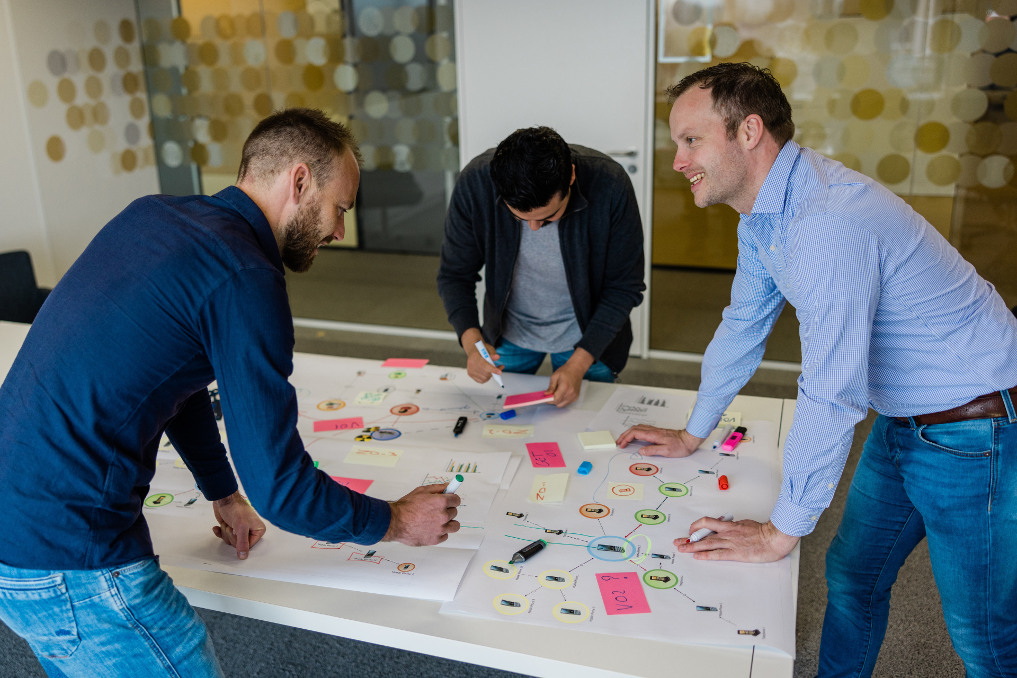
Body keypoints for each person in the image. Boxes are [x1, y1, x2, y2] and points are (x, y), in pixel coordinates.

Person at [0, 108, 460, 677]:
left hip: (17, 529)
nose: (340, 231)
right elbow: (281, 488)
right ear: (298, 182)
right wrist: (394, 521)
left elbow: (178, 378)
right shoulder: (244, 273)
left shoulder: (153, 214)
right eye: (339, 208)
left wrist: (220, 491)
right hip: (70, 557)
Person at [617, 63, 1017, 677]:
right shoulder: (765, 215)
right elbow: (744, 324)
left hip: (977, 427)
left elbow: (832, 386)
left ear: (748, 131)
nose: (678, 160)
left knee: (984, 642)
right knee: (853, 579)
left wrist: (782, 530)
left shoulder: (828, 219)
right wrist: (694, 430)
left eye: (691, 140)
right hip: (905, 418)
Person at [437, 127, 645, 407]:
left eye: (548, 219)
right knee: (501, 424)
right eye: (521, 218)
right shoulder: (476, 181)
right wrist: (472, 343)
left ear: (570, 176)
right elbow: (455, 274)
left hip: (589, 334)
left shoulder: (610, 183)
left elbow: (624, 286)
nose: (534, 229)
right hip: (508, 333)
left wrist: (579, 363)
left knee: (588, 422)